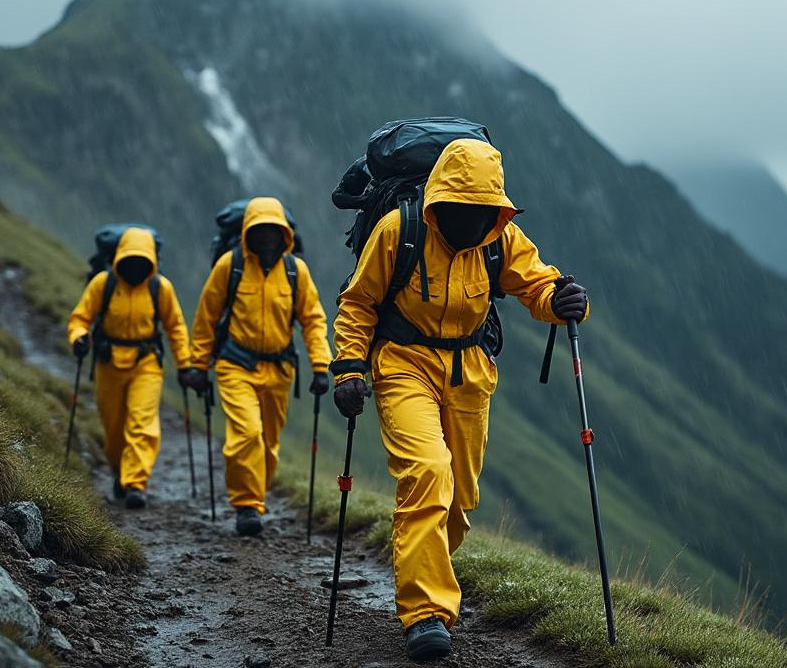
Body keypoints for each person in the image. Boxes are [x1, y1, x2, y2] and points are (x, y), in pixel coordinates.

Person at [330, 138, 589, 661]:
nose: (470, 220)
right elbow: (358, 303)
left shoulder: (499, 238)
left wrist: (561, 301)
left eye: (482, 210)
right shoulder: (399, 230)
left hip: (470, 372)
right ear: (439, 200)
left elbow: (536, 285)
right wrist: (350, 368)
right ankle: (425, 612)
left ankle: (421, 568)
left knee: (458, 498)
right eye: (460, 208)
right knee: (428, 471)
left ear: (495, 209)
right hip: (403, 364)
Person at [183, 197, 332, 536]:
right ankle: (246, 505)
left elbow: (313, 321)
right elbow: (206, 318)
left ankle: (255, 498)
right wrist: (198, 365)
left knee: (267, 442)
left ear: (284, 234)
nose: (267, 236)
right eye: (260, 230)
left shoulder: (296, 271)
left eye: (273, 230)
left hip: (279, 370)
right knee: (246, 433)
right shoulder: (230, 265)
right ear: (247, 232)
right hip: (235, 364)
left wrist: (320, 366)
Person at [68, 227, 191, 509]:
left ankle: (136, 482)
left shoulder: (160, 288)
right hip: (108, 363)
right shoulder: (103, 283)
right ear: (120, 256)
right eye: (130, 259)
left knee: (142, 421)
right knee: (113, 428)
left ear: (152, 261)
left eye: (142, 260)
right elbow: (80, 318)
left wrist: (185, 365)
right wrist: (78, 338)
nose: (136, 265)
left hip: (146, 363)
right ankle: (119, 471)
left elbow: (175, 328)